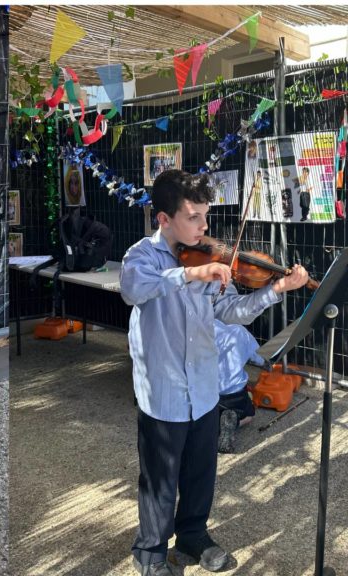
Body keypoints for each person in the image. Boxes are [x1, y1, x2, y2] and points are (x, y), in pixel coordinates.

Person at [120, 169, 308, 576]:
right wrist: (190, 274)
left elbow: (229, 312)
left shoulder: (207, 253)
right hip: (164, 391)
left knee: (201, 471)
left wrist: (273, 291)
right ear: (164, 219)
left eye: (206, 216)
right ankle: (149, 553)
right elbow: (134, 290)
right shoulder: (141, 256)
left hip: (204, 387)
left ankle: (192, 537)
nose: (204, 226)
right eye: (193, 216)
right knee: (159, 480)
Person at [215, 320, 262, 454]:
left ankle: (215, 425)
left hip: (210, 396)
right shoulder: (239, 331)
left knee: (207, 417)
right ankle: (234, 421)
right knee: (249, 416)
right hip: (236, 394)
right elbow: (256, 358)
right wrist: (267, 364)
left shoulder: (199, 331)